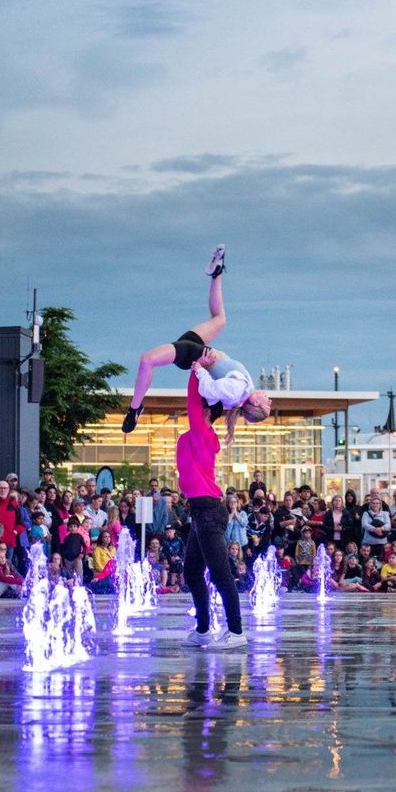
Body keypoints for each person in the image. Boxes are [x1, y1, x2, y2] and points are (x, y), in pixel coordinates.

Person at [122, 245, 272, 442]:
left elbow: (209, 390)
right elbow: (212, 397)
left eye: (267, 403)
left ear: (255, 402)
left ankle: (135, 408)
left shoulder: (237, 391)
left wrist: (201, 367)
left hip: (196, 354)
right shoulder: (239, 395)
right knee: (219, 319)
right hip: (197, 348)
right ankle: (217, 270)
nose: (269, 399)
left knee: (147, 360)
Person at [177, 370, 246, 649]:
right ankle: (203, 629)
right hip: (199, 511)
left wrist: (196, 370)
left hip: (208, 511)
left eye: (200, 407)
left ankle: (236, 632)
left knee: (220, 575)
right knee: (192, 573)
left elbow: (192, 402)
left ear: (206, 410)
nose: (194, 410)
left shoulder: (202, 433)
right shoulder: (196, 435)